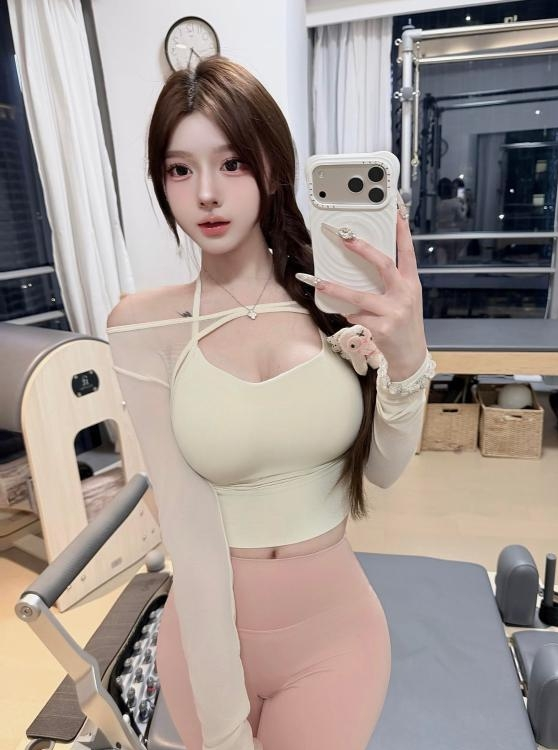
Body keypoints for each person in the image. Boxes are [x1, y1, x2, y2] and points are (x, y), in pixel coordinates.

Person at [106, 56, 434, 750]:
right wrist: (225, 727)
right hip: (205, 638)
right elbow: (185, 526)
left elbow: (383, 471)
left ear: (273, 168)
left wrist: (408, 357)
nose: (207, 195)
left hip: (336, 638)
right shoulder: (144, 325)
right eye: (180, 170)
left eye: (232, 163)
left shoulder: (333, 300)